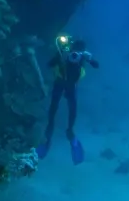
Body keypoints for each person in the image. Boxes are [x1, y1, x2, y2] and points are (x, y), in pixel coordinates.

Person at [36, 33, 98, 165]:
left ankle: (67, 132)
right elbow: (50, 64)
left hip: (69, 85)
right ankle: (51, 134)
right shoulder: (64, 53)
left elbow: (96, 65)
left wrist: (90, 58)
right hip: (62, 83)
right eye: (74, 50)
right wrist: (60, 54)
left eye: (79, 51)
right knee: (57, 109)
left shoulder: (82, 56)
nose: (75, 54)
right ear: (72, 47)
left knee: (69, 109)